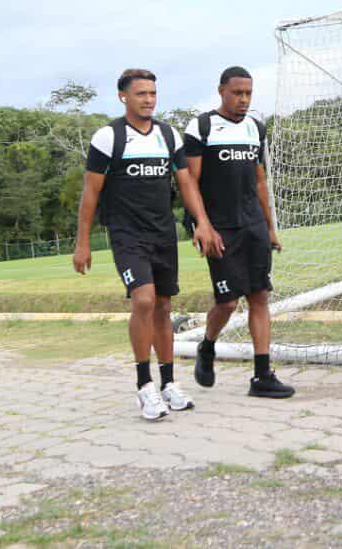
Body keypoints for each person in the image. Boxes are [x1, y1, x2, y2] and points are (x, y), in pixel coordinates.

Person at [73, 68, 223, 421]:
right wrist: (82, 243)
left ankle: (168, 383)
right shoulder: (108, 138)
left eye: (153, 93)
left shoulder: (168, 135)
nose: (149, 99)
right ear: (123, 96)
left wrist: (202, 222)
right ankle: (144, 386)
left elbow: (185, 183)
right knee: (143, 300)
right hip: (127, 234)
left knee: (163, 307)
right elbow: (90, 193)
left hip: (163, 233)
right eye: (141, 93)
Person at [186, 67, 294, 398]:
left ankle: (262, 376)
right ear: (222, 91)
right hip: (219, 228)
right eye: (237, 93)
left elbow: (260, 181)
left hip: (253, 225)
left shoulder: (255, 128)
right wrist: (202, 225)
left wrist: (270, 228)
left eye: (248, 93)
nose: (243, 99)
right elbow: (190, 181)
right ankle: (207, 346)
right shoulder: (202, 127)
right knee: (229, 302)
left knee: (259, 296)